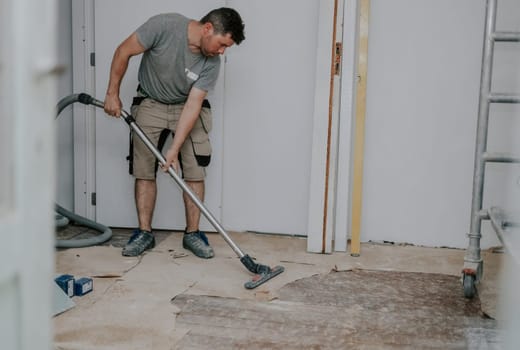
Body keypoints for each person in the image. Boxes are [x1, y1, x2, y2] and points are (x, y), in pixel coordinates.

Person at [103, 8, 245, 258]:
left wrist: (174, 148)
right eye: (222, 44)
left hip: (185, 106)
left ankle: (193, 234)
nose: (222, 52)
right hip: (151, 101)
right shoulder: (163, 26)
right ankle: (144, 233)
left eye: (227, 48)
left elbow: (193, 105)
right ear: (208, 28)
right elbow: (123, 51)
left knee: (194, 170)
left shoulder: (212, 62)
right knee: (144, 169)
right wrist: (112, 93)